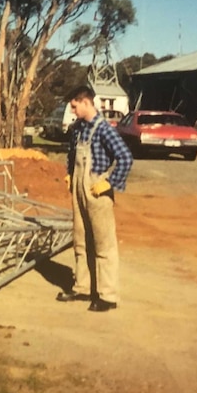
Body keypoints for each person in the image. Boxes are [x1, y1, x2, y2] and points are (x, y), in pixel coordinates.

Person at [56, 85, 133, 312]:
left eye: (74, 106)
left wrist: (109, 182)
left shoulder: (104, 129)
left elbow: (125, 157)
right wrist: (70, 174)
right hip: (79, 190)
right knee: (81, 240)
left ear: (86, 102)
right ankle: (83, 287)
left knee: (103, 244)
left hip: (97, 191)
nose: (72, 110)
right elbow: (72, 154)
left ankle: (107, 295)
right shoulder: (79, 128)